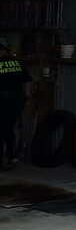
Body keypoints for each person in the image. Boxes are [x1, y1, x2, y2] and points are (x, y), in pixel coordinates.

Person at [0, 41, 33, 170]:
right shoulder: (17, 63)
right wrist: (28, 98)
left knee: (1, 129)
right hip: (17, 100)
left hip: (2, 99)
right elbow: (28, 80)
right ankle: (13, 156)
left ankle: (2, 160)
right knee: (8, 128)